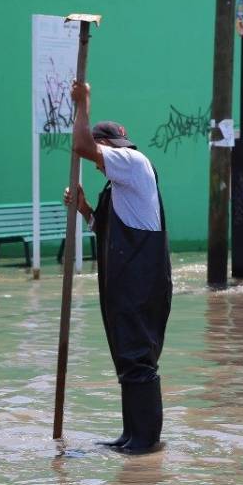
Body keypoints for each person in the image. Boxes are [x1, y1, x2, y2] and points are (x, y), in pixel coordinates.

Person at [63, 80, 172, 454]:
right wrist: (85, 211)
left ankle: (145, 441)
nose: (96, 165)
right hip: (124, 285)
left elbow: (81, 145)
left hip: (141, 284)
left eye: (100, 155)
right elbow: (109, 232)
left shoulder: (132, 163)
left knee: (138, 359)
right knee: (127, 358)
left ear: (109, 148)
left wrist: (83, 104)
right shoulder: (118, 186)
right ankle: (131, 436)